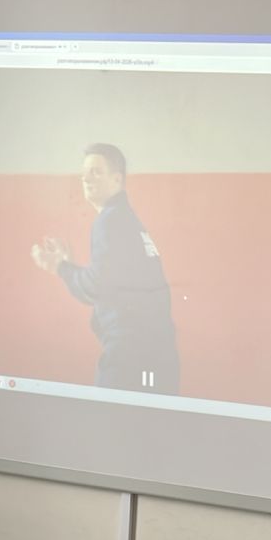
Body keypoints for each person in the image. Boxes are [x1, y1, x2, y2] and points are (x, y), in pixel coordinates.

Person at [32, 143, 180, 394]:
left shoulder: (110, 220)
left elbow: (96, 286)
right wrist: (68, 266)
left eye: (96, 172)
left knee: (109, 419)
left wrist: (60, 267)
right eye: (84, 173)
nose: (86, 178)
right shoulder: (128, 220)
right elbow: (108, 286)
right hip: (158, 357)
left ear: (117, 179)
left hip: (129, 359)